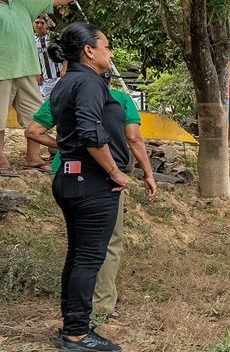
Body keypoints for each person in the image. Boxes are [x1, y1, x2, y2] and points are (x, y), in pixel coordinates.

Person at [26, 49, 157, 322]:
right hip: (99, 179)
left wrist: (65, 145)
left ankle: (75, 316)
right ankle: (96, 311)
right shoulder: (117, 100)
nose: (108, 52)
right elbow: (132, 139)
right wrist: (127, 172)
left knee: (77, 250)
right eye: (105, 47)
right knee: (103, 246)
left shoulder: (62, 93)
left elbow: (33, 131)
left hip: (64, 175)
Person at [47, 22, 147, 352]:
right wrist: (115, 172)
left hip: (69, 178)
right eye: (105, 45)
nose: (111, 52)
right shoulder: (88, 82)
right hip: (91, 183)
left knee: (77, 256)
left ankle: (73, 325)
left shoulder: (66, 82)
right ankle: (77, 335)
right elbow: (91, 132)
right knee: (89, 258)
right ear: (89, 50)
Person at [0, 0, 100, 176]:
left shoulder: (20, 2)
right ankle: (0, 159)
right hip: (2, 70)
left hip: (26, 69)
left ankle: (33, 157)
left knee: (37, 114)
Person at [34, 15, 62, 97]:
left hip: (60, 77)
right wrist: (36, 73)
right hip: (44, 80)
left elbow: (66, 53)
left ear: (46, 25)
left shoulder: (55, 37)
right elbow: (31, 59)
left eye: (42, 23)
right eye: (37, 22)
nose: (39, 25)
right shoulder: (31, 40)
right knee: (42, 104)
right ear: (33, 24)